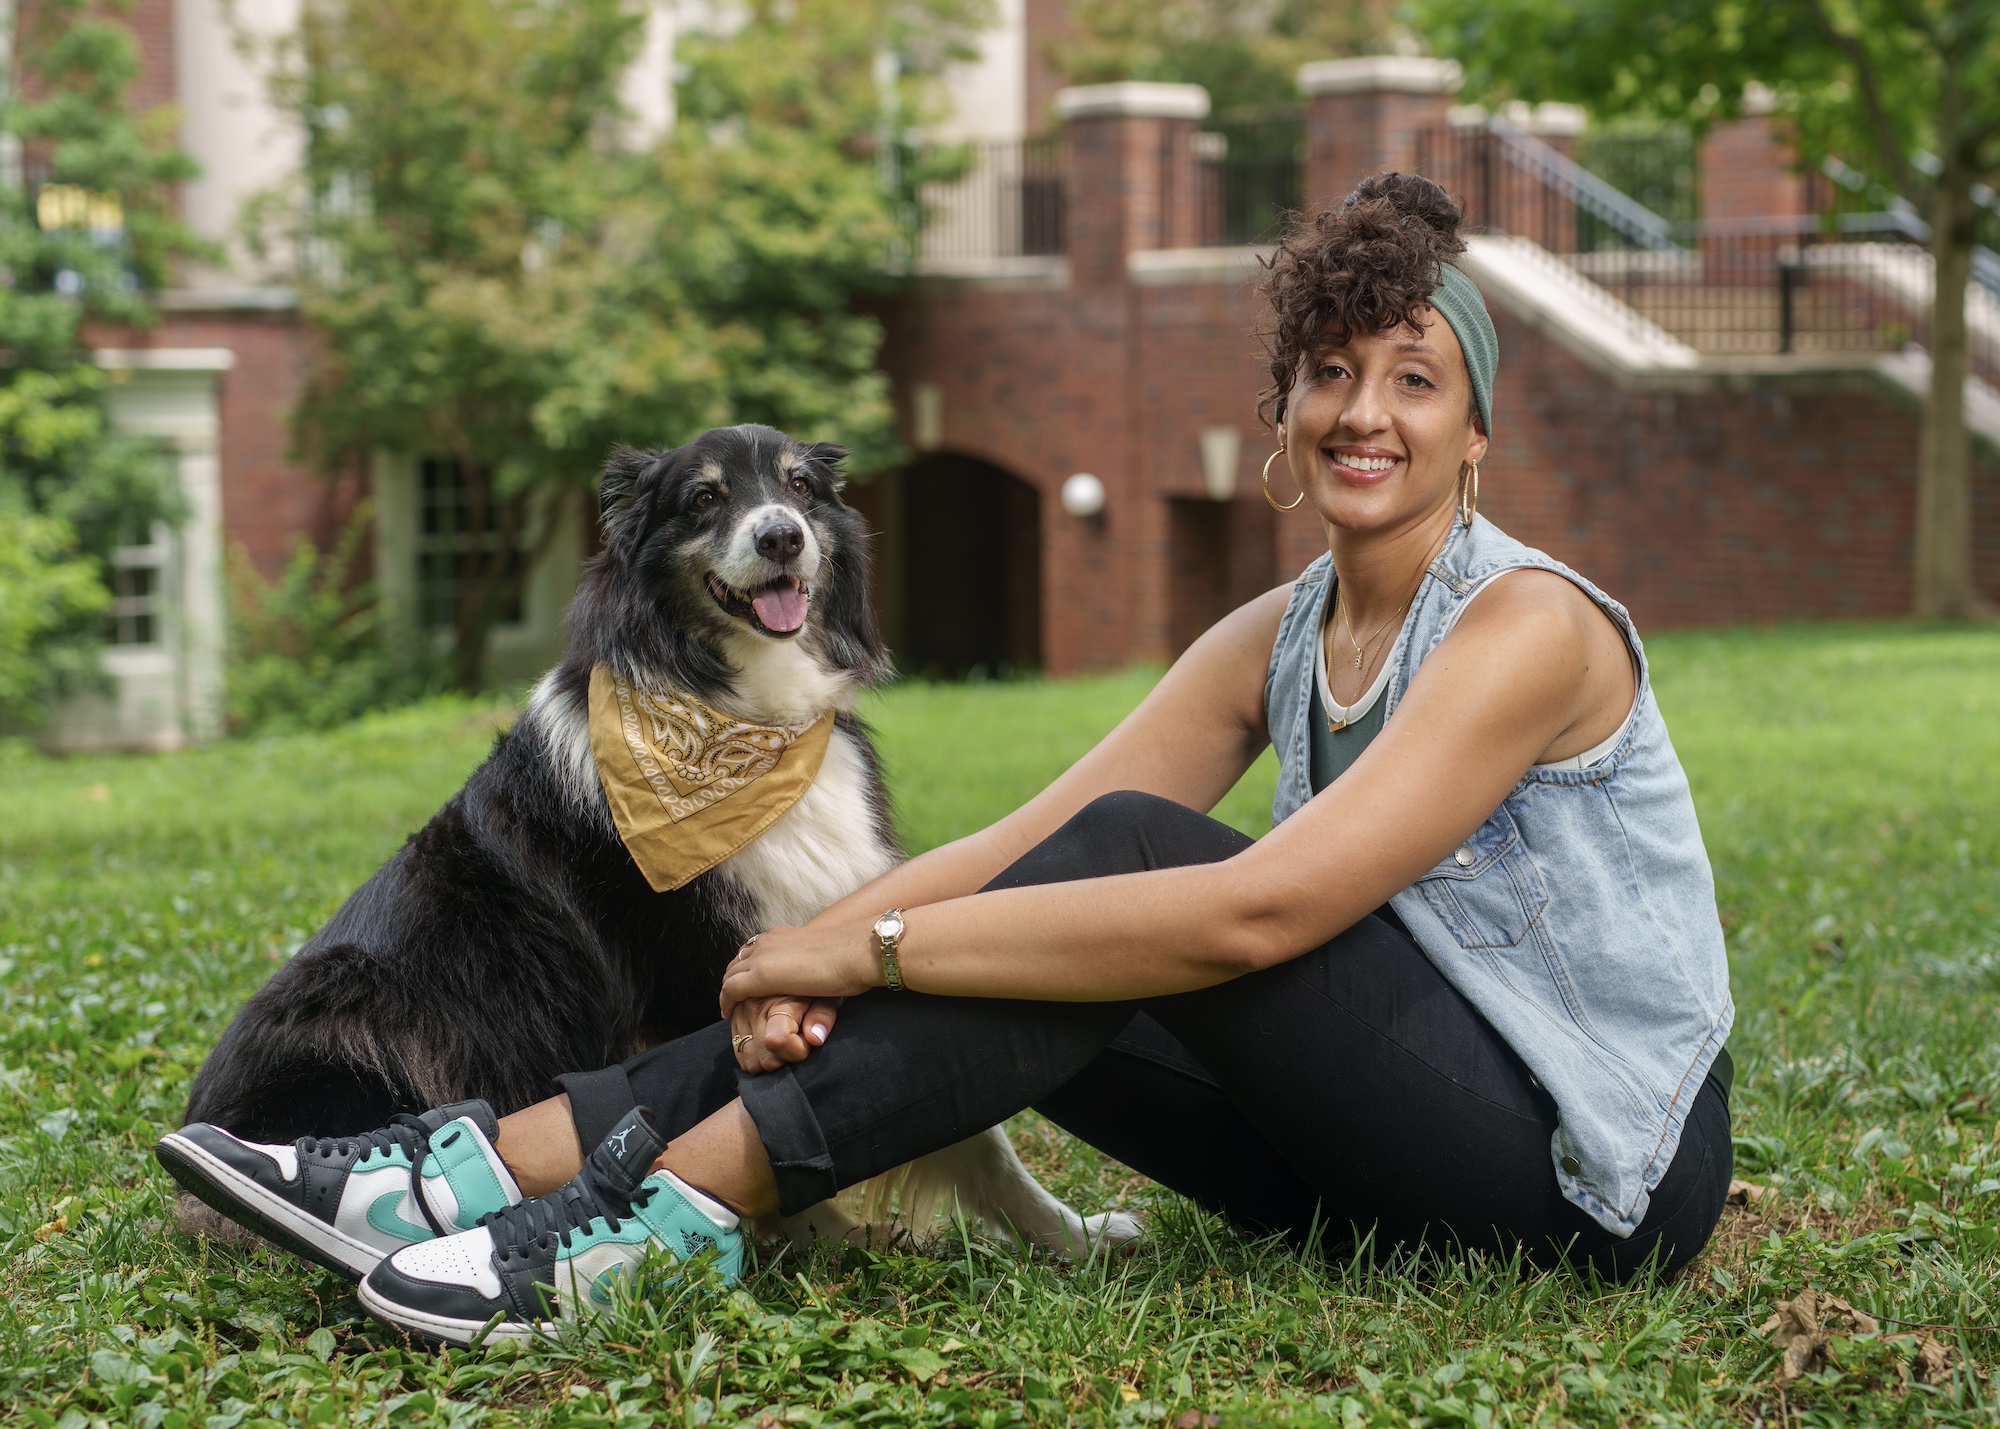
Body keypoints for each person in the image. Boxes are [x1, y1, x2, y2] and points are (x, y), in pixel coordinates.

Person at [162, 174, 1734, 1343]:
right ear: (1286, 405)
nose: (1362, 412)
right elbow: (1016, 844)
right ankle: (475, 1168)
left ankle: (653, 1220)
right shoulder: (1283, 631)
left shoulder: (1528, 625)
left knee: (1130, 864)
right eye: (1329, 370)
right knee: (1054, 891)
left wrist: (868, 942)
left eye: (1413, 377)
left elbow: (1259, 908)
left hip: (1582, 1177)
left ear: (1476, 432)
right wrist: (798, 956)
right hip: (1355, 1165)